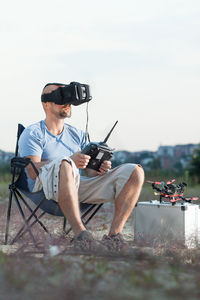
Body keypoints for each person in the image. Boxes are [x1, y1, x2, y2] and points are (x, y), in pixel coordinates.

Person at [18, 82, 144, 254]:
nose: (67, 104)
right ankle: (81, 236)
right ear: (46, 104)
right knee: (65, 164)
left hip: (77, 186)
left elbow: (89, 173)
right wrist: (68, 161)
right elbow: (31, 171)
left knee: (134, 171)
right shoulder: (33, 133)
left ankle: (114, 236)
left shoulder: (77, 134)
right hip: (46, 188)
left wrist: (99, 168)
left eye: (68, 99)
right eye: (61, 99)